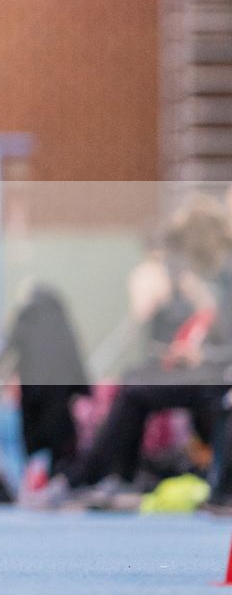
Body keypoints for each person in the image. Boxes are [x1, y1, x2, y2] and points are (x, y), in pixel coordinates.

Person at [54, 200, 232, 508]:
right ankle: (113, 477)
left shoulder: (222, 278)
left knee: (136, 389)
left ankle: (92, 477)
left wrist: (205, 355)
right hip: (212, 370)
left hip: (219, 375)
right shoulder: (209, 278)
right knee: (134, 380)